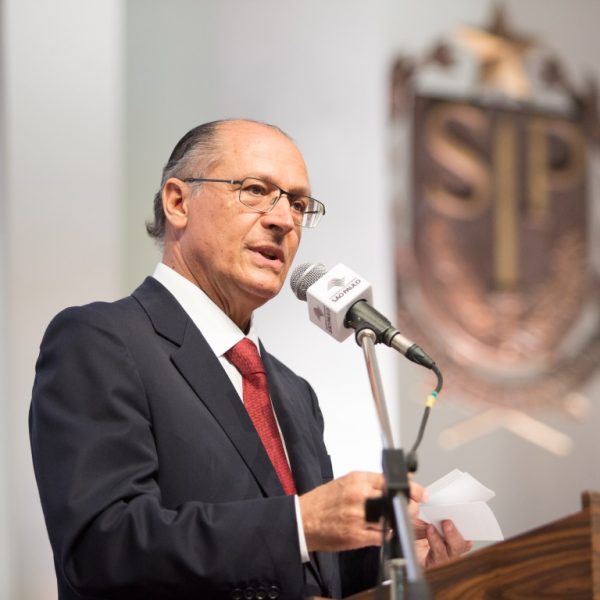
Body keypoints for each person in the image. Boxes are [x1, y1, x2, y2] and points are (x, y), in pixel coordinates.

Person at [30, 119, 470, 600]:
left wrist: (398, 560)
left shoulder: (293, 391)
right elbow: (103, 546)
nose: (284, 220)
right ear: (178, 202)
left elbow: (310, 570)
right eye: (256, 190)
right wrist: (301, 522)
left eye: (298, 204)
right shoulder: (100, 341)